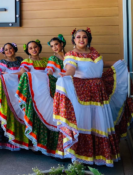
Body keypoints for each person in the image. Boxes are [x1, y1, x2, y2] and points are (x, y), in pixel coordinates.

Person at [53, 28, 129, 167]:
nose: (81, 39)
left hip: (99, 92)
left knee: (98, 121)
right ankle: (80, 155)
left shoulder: (94, 52)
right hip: (83, 92)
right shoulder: (71, 54)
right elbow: (71, 68)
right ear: (73, 40)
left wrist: (119, 63)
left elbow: (101, 64)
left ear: (88, 39)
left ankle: (100, 155)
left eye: (84, 37)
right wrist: (67, 74)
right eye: (78, 37)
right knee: (85, 121)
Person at [15, 39, 60, 156]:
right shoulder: (26, 61)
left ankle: (47, 144)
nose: (34, 49)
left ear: (39, 48)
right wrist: (9, 75)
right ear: (27, 50)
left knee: (48, 114)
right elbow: (22, 73)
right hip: (34, 94)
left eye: (35, 47)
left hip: (47, 92)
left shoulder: (47, 60)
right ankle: (36, 143)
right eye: (30, 48)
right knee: (36, 116)